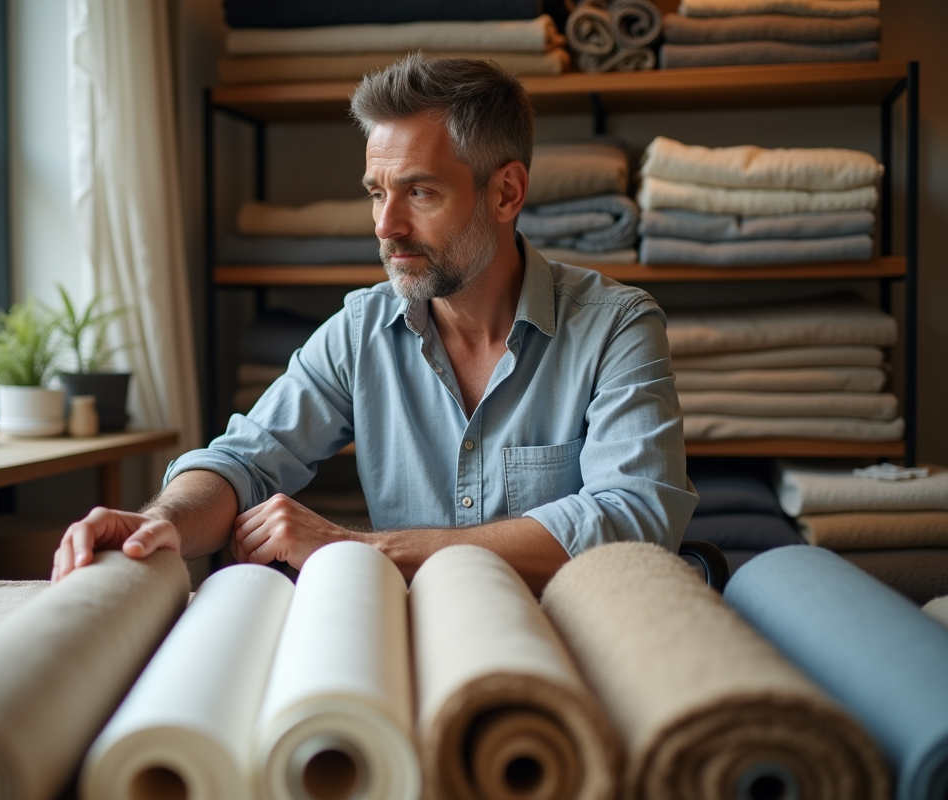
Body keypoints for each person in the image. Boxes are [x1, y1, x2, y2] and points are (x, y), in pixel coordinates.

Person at [53, 54, 697, 592]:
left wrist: (359, 548)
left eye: (419, 192)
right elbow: (240, 461)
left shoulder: (617, 327)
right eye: (375, 192)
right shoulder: (360, 330)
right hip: (404, 647)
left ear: (506, 193)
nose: (387, 227)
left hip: (571, 637)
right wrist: (159, 521)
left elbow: (635, 515)